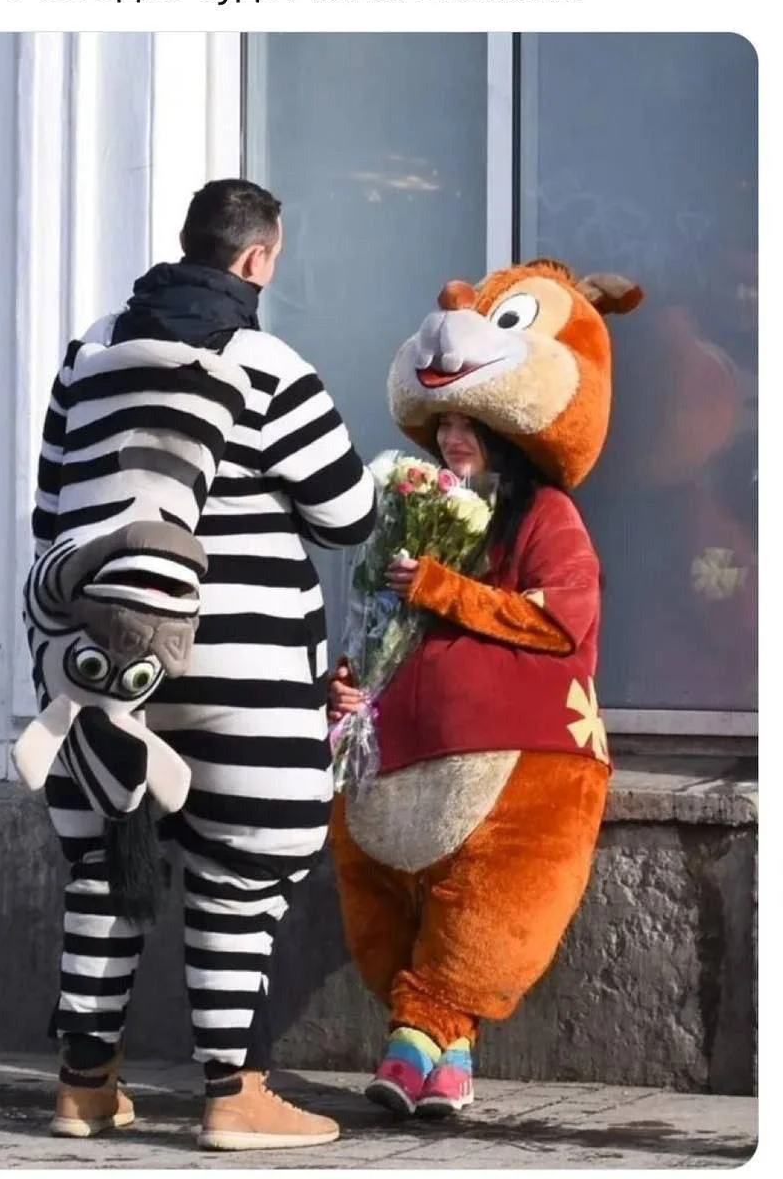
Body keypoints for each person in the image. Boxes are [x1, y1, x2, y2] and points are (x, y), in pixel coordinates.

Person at [30, 179, 376, 1150]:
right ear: (258, 258)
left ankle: (83, 1088)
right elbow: (347, 517)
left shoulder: (89, 351)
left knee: (103, 867)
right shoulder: (267, 364)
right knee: (239, 875)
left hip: (97, 663)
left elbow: (50, 509)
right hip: (241, 662)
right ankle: (235, 1093)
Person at [327, 260, 643, 1118]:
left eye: (472, 424)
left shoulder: (545, 516)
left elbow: (562, 619)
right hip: (398, 762)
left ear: (506, 432)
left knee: (488, 912)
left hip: (514, 762)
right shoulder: (412, 510)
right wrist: (347, 688)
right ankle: (451, 1061)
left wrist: (443, 588)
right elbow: (371, 630)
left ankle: (414, 1043)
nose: (455, 438)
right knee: (382, 909)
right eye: (448, 424)